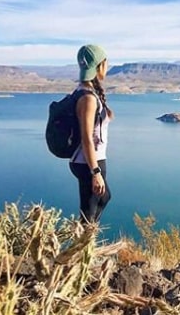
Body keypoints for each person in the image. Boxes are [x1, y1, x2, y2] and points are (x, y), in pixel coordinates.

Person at [69, 44, 113, 224]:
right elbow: (86, 137)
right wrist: (95, 172)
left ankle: (85, 243)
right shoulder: (87, 98)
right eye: (105, 63)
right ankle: (83, 249)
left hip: (91, 159)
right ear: (99, 66)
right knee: (88, 213)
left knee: (103, 198)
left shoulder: (87, 92)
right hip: (88, 162)